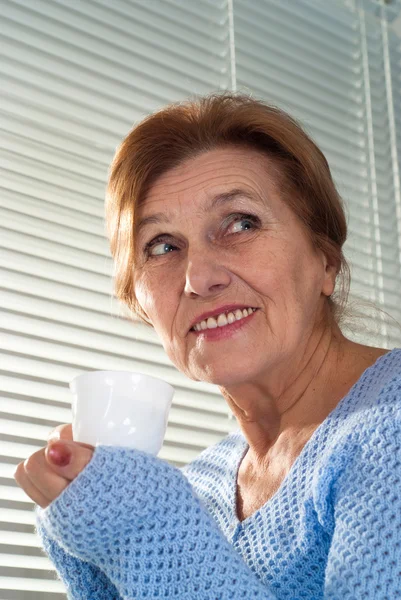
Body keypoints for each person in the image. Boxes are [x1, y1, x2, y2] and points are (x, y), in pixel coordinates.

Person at [14, 92, 401, 599]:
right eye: (163, 246)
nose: (199, 277)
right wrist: (86, 542)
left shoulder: (389, 427)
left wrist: (142, 531)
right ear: (141, 302)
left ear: (324, 262)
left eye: (241, 223)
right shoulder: (202, 484)